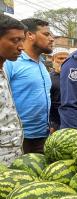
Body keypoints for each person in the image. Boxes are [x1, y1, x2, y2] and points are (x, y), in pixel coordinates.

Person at [5, 18, 54, 154]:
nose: (51, 39)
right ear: (29, 35)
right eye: (46, 34)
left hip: (43, 136)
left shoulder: (42, 65)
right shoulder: (11, 62)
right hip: (18, 139)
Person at [0, 15, 25, 165]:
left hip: (13, 156)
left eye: (22, 40)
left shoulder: (3, 70)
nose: (21, 46)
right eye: (15, 40)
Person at [49, 47, 69, 133]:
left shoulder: (73, 77)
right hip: (56, 121)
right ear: (53, 59)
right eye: (60, 58)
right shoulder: (49, 78)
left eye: (66, 58)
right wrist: (52, 124)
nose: (64, 61)